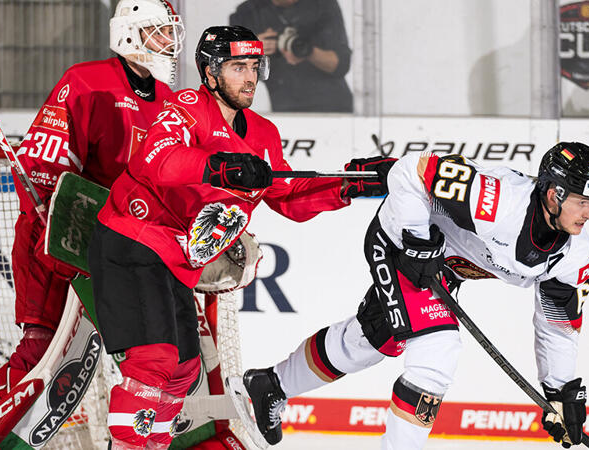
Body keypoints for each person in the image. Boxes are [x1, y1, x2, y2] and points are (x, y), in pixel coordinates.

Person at [87, 25, 393, 449]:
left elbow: (288, 199)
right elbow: (158, 161)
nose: (250, 77)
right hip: (132, 241)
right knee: (153, 362)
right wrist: (218, 167)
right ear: (210, 73)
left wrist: (351, 184)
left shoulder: (263, 134)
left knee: (183, 372)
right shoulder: (186, 105)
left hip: (175, 264)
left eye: (254, 66)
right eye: (237, 67)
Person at [241, 142, 589, 449]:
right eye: (583, 201)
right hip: (402, 241)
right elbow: (411, 170)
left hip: (443, 267)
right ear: (554, 193)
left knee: (372, 341)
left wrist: (560, 391)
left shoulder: (575, 256)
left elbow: (558, 326)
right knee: (437, 350)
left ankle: (272, 384)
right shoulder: (499, 202)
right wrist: (417, 238)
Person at [0, 1, 184, 447]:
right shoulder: (87, 81)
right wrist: (58, 227)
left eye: (170, 32)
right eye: (158, 31)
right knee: (44, 349)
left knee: (147, 355)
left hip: (121, 250)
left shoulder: (171, 103)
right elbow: (43, 165)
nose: (169, 42)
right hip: (58, 238)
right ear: (129, 33)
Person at [229, 0, 353, 112]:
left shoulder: (323, 5)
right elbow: (231, 72)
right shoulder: (248, 13)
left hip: (332, 107)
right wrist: (251, 49)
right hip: (284, 108)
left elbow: (340, 64)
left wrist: (308, 52)